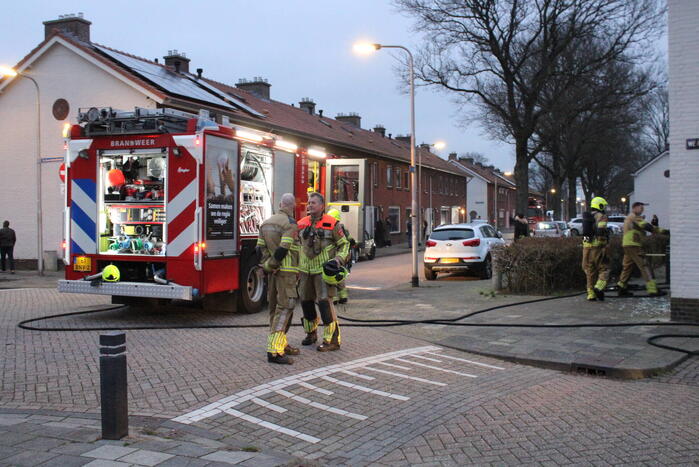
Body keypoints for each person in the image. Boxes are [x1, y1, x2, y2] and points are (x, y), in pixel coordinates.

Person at [298, 192, 350, 352]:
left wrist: (338, 260)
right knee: (306, 302)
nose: (309, 205)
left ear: (322, 206)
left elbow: (344, 245)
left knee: (324, 303)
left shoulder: (333, 224)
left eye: (313, 203)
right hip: (305, 271)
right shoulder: (301, 223)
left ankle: (332, 340)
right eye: (308, 202)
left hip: (323, 271)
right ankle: (311, 333)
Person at [256, 193, 301, 365]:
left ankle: (282, 343)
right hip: (285, 273)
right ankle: (274, 351)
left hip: (273, 274)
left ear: (281, 204)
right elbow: (284, 247)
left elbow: (259, 249)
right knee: (285, 308)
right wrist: (273, 264)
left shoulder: (266, 222)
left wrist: (266, 265)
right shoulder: (290, 224)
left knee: (274, 309)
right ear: (292, 206)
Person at [617, 202, 669, 297]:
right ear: (635, 208)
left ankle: (622, 287)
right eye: (641, 208)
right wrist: (665, 231)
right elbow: (646, 226)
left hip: (627, 244)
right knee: (645, 266)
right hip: (634, 244)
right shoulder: (634, 217)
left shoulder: (630, 217)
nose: (642, 210)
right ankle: (652, 289)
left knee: (627, 267)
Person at [582, 196, 610, 301]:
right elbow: (601, 230)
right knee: (605, 268)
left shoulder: (587, 217)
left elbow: (585, 235)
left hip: (586, 248)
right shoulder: (601, 216)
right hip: (597, 247)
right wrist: (604, 244)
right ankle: (599, 288)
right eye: (604, 205)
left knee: (590, 271)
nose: (604, 208)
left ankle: (591, 294)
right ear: (600, 205)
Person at [327, 209, 353, 304]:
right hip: (341, 255)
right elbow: (350, 240)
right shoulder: (342, 228)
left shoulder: (330, 227)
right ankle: (343, 296)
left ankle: (334, 298)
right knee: (340, 274)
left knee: (331, 276)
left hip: (332, 254)